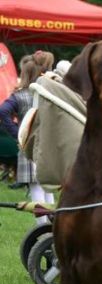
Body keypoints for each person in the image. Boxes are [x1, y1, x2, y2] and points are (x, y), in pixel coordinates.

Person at [0, 51, 56, 223]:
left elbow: (3, 111)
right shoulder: (49, 93)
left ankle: (43, 227)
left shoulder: (19, 95)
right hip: (48, 144)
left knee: (36, 188)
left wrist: (18, 133)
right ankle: (54, 224)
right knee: (48, 188)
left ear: (24, 74)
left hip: (28, 145)